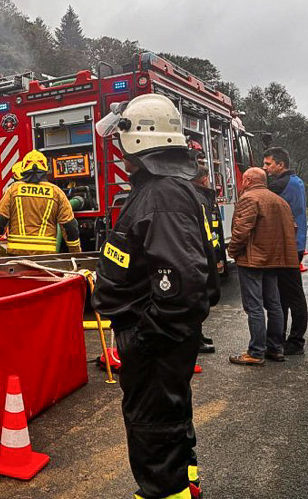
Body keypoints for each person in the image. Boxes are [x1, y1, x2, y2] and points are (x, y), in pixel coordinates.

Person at [92, 94, 214, 499]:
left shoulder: (162, 195)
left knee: (153, 430)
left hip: (155, 341)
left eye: (121, 141)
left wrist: (145, 339)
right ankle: (184, 482)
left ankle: (167, 490)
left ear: (139, 140)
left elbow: (184, 286)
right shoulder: (163, 190)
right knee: (169, 419)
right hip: (159, 337)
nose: (118, 152)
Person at [227, 167, 298, 366]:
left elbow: (242, 230)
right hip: (273, 260)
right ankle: (276, 348)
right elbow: (292, 228)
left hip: (252, 260)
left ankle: (256, 351)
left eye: (244, 180)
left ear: (248, 180)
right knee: (274, 305)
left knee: (254, 306)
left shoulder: (249, 198)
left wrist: (232, 251)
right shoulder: (279, 201)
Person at [0, 149, 81, 257]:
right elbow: (70, 226)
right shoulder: (56, 192)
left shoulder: (13, 190)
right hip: (46, 257)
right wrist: (76, 254)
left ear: (24, 170)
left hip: (16, 256)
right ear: (45, 170)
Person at [263, 146, 308, 355]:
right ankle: (279, 337)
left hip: (288, 246)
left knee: (292, 295)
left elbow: (258, 196)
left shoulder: (280, 184)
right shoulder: (295, 181)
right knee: (283, 295)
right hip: (294, 244)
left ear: (281, 165)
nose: (264, 168)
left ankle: (296, 341)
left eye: (268, 164)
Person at [191, 165, 223, 355]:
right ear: (204, 179)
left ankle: (198, 335)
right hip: (200, 255)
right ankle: (195, 337)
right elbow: (203, 231)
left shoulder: (197, 196)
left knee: (199, 296)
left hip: (201, 253)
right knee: (197, 297)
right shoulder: (199, 198)